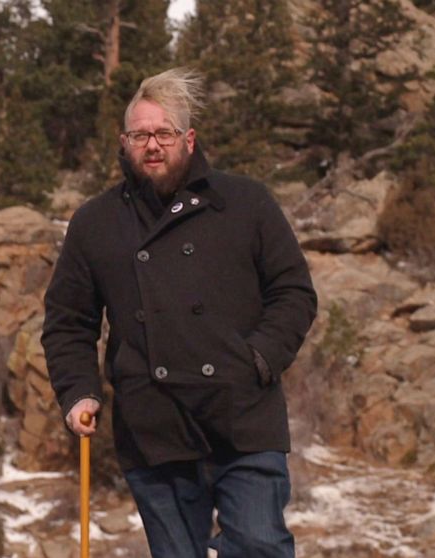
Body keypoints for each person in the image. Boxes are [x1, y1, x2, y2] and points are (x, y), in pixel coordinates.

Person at [41, 67, 317, 558]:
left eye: (164, 133)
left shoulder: (244, 202)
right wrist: (79, 392)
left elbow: (293, 291)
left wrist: (257, 359)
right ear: (124, 142)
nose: (152, 145)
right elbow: (69, 321)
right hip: (154, 427)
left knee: (260, 546)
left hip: (243, 417)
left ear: (188, 139)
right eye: (140, 134)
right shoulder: (95, 222)